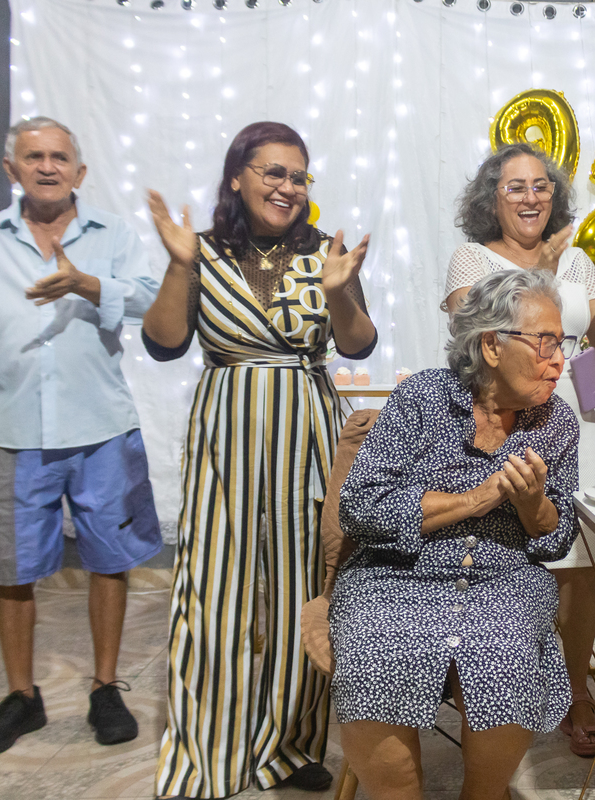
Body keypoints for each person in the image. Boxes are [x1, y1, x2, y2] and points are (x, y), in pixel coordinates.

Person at [0, 116, 162, 756]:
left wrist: (85, 282)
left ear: (79, 171)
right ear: (11, 169)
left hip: (101, 424)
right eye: (33, 157)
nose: (47, 167)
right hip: (13, 428)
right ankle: (22, 697)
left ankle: (105, 687)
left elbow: (150, 300)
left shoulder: (112, 234)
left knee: (110, 559)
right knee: (11, 568)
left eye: (58, 157)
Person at [142, 121, 377, 797]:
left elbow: (357, 344)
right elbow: (163, 342)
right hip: (227, 434)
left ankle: (289, 745)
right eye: (274, 172)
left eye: (299, 176)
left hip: (306, 429)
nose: (288, 186)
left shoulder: (324, 253)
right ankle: (206, 752)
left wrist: (340, 290)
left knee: (308, 582)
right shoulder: (201, 250)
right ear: (237, 177)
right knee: (212, 586)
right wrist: (179, 265)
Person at [332, 269, 581, 800]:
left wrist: (533, 504)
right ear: (492, 345)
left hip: (504, 580)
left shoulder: (556, 422)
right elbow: (361, 507)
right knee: (375, 647)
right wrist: (476, 498)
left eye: (562, 343)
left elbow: (557, 538)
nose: (559, 359)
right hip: (396, 577)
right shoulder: (422, 398)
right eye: (545, 342)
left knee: (509, 651)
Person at [442, 142, 595, 757]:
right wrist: (550, 277)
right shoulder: (471, 258)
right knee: (502, 554)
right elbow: (474, 336)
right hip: (498, 421)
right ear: (492, 198)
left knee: (578, 565)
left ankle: (576, 691)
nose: (531, 197)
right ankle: (496, 686)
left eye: (541, 186)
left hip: (571, 413)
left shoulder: (578, 259)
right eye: (516, 186)